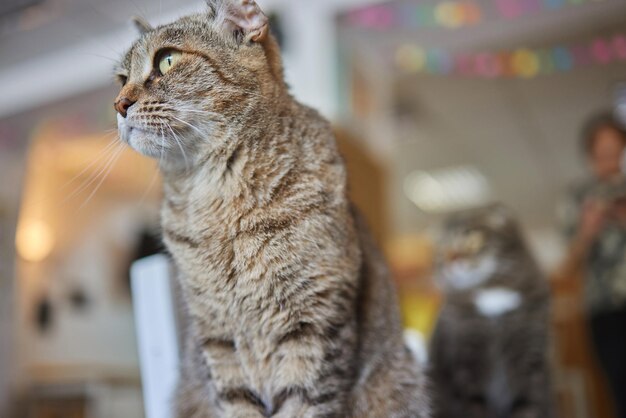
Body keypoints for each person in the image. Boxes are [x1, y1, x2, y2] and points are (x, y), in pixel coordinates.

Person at [561, 111, 626, 418]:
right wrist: (587, 232)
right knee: (620, 388)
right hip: (604, 311)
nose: (609, 162)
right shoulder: (578, 198)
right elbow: (567, 267)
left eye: (615, 153)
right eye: (601, 155)